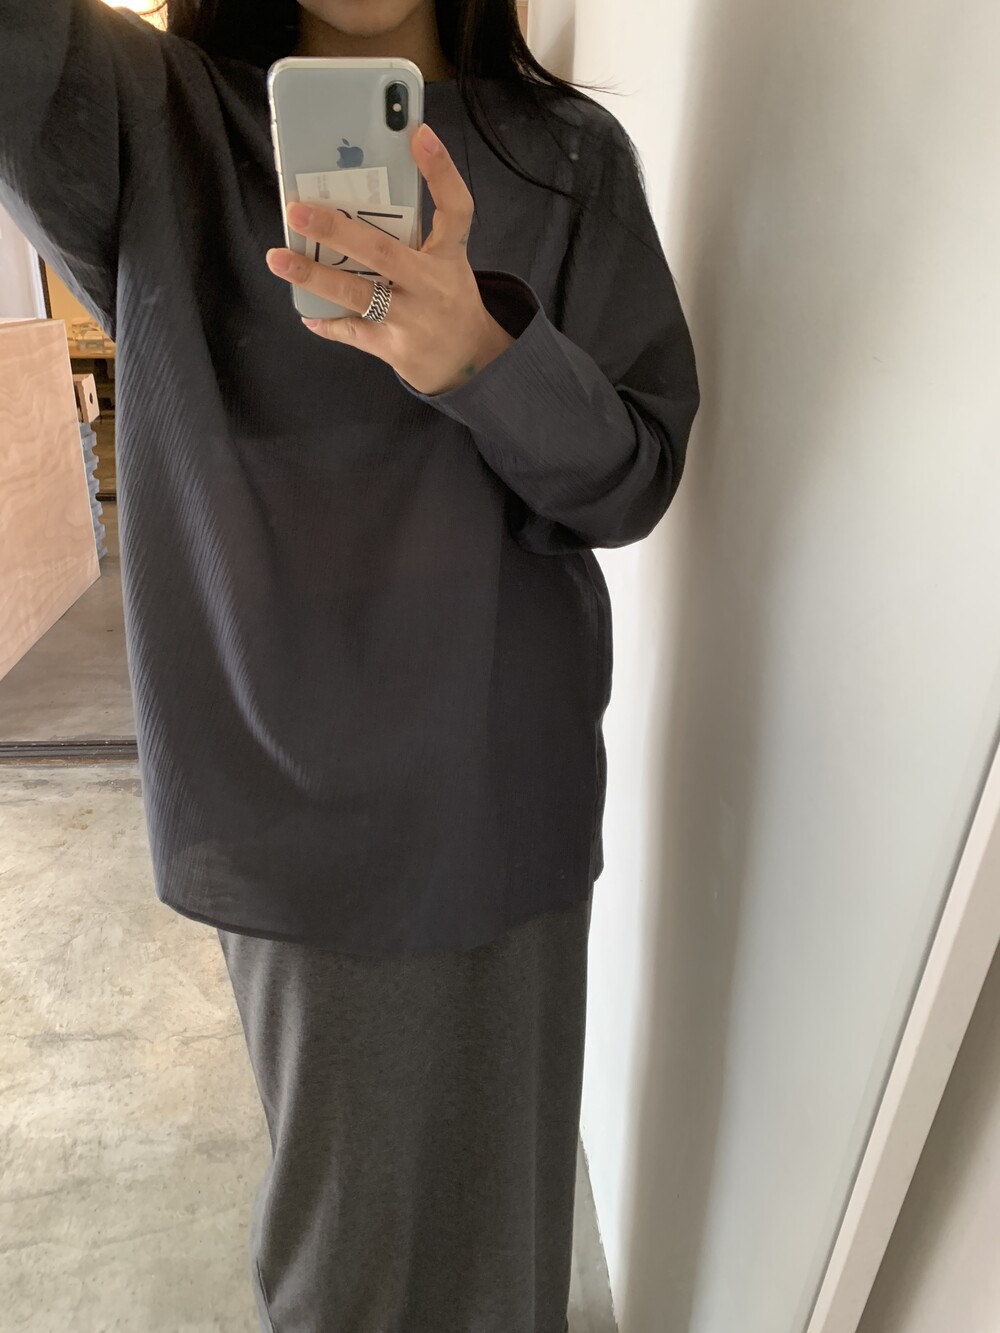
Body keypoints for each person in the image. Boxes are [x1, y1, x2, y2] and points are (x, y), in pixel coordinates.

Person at [0, 0, 698, 1328]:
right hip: (293, 795)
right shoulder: (148, 115)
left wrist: (484, 357)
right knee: (352, 1264)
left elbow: (632, 480)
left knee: (507, 1246)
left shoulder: (567, 154)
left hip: (505, 771)